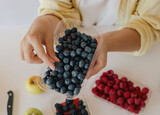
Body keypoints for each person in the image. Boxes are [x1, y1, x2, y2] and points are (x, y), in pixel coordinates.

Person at [20, 0, 160, 79]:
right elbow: (58, 11)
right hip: (75, 45)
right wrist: (45, 22)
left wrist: (106, 42)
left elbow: (148, 26)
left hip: (125, 50)